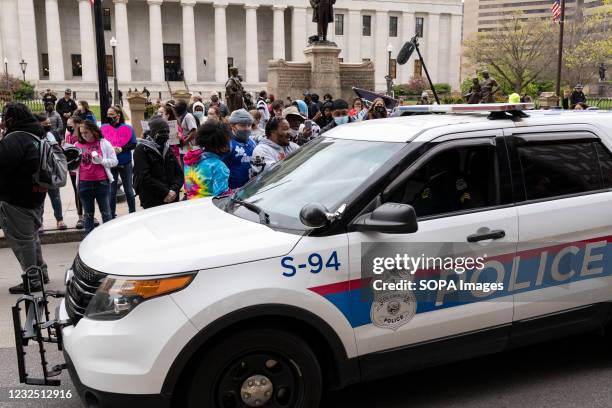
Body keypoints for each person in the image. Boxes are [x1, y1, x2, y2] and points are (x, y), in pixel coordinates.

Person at [0, 103, 50, 294]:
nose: (3, 121)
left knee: (22, 240)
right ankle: (40, 272)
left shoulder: (15, 138)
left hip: (17, 197)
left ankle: (33, 279)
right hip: (36, 193)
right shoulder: (34, 134)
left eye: (5, 117)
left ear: (11, 119)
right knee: (31, 237)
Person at [75, 120, 117, 234]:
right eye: (82, 133)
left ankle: (108, 237)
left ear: (94, 131)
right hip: (84, 183)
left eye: (86, 132)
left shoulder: (104, 143)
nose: (84, 135)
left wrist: (101, 161)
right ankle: (88, 240)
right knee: (88, 215)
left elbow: (114, 161)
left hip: (101, 183)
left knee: (106, 212)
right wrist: (70, 162)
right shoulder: (77, 145)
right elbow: (74, 168)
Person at [133, 117, 184, 209]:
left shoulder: (168, 148)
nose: (165, 135)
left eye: (167, 132)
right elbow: (144, 177)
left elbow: (179, 174)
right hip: (153, 200)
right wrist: (166, 192)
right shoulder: (141, 150)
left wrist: (174, 190)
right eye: (161, 132)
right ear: (152, 133)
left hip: (172, 198)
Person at [101, 106, 137, 217]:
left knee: (128, 189)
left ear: (118, 115)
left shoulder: (128, 128)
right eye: (108, 114)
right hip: (111, 163)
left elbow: (133, 144)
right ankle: (111, 214)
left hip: (125, 162)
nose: (109, 116)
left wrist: (121, 149)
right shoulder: (103, 128)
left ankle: (132, 212)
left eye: (112, 114)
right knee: (111, 191)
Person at [184, 122, 232, 199]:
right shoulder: (218, 166)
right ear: (221, 145)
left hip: (190, 204)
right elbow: (221, 196)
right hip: (207, 208)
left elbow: (187, 187)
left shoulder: (190, 159)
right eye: (228, 142)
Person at [38, 115, 67, 231]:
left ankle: (59, 220)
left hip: (53, 171)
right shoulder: (35, 137)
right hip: (40, 172)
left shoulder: (53, 135)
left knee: (55, 197)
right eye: (45, 124)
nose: (48, 126)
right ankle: (39, 222)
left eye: (49, 123)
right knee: (40, 199)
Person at [224, 109, 257, 189]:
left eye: (249, 125)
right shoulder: (228, 144)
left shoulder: (252, 142)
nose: (246, 128)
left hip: (250, 189)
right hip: (232, 192)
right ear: (233, 126)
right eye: (242, 125)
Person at [64, 116, 85, 229]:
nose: (68, 126)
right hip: (73, 170)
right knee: (78, 192)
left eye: (70, 124)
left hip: (85, 169)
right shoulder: (68, 136)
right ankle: (80, 216)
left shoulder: (83, 135)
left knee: (86, 192)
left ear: (77, 124)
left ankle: (89, 214)